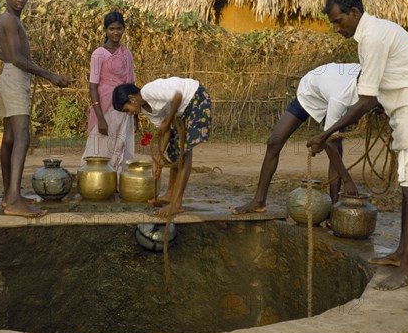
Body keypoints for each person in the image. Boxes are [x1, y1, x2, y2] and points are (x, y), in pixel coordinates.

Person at [308, 0, 408, 291]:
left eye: (338, 21)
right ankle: (401, 253)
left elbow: (366, 99)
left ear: (354, 13)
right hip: (407, 109)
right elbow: (372, 98)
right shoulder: (372, 34)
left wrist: (326, 133)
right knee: (407, 183)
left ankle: (407, 269)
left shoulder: (372, 38)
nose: (336, 28)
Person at [0, 0, 71, 218]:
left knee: (10, 138)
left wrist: (8, 60)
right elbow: (20, 60)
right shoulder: (9, 20)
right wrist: (50, 75)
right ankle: (12, 202)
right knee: (22, 137)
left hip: (11, 76)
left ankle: (11, 196)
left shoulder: (8, 20)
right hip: (15, 79)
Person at [232, 62, 363, 215]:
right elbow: (328, 142)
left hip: (334, 92)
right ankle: (258, 201)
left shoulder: (376, 78)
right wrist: (348, 181)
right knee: (274, 142)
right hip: (311, 92)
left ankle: (334, 210)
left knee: (336, 147)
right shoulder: (341, 96)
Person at [112, 78, 211, 217]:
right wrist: (157, 160)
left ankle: (176, 204)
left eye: (127, 110)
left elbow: (177, 96)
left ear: (132, 99)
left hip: (196, 98)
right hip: (181, 112)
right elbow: (165, 132)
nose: (129, 114)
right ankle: (170, 195)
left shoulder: (148, 91)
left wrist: (169, 119)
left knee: (184, 154)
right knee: (174, 153)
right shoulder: (147, 111)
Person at [82, 11, 135, 175]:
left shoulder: (127, 54)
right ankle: (94, 182)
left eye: (119, 28)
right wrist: (100, 118)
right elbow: (92, 86)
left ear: (123, 29)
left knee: (121, 147)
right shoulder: (99, 54)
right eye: (111, 29)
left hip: (124, 108)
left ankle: (118, 182)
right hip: (104, 107)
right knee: (100, 147)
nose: (116, 33)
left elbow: (131, 85)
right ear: (105, 30)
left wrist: (136, 115)